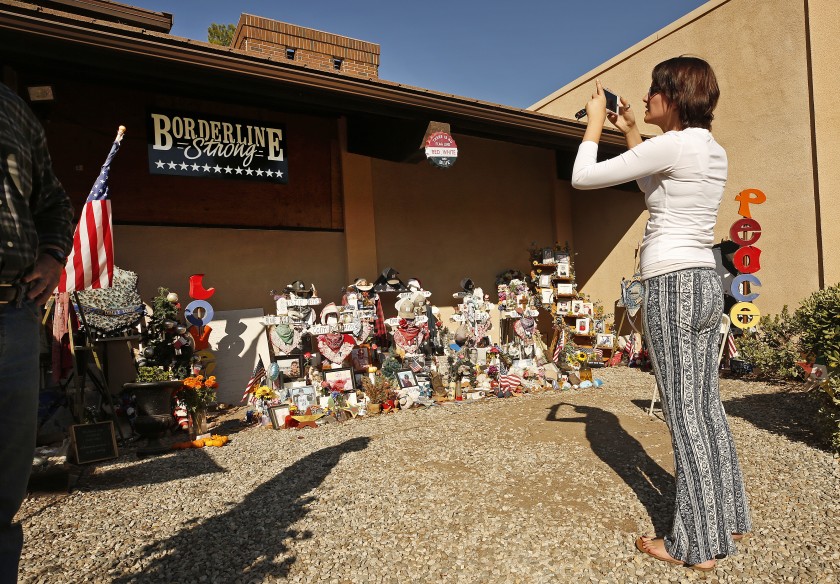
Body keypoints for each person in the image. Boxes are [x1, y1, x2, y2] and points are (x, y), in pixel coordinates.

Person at [571, 57, 751, 571]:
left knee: (683, 411)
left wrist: (593, 120)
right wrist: (629, 129)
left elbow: (584, 176)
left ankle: (693, 543)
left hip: (671, 286)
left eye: (653, 91)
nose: (645, 98)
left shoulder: (674, 144)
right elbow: (656, 192)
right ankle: (726, 516)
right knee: (705, 407)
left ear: (673, 97)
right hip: (701, 283)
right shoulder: (708, 148)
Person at [0, 81, 74, 583]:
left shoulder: (13, 110)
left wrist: (52, 257)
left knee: (5, 489)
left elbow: (53, 202)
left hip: (12, 316)